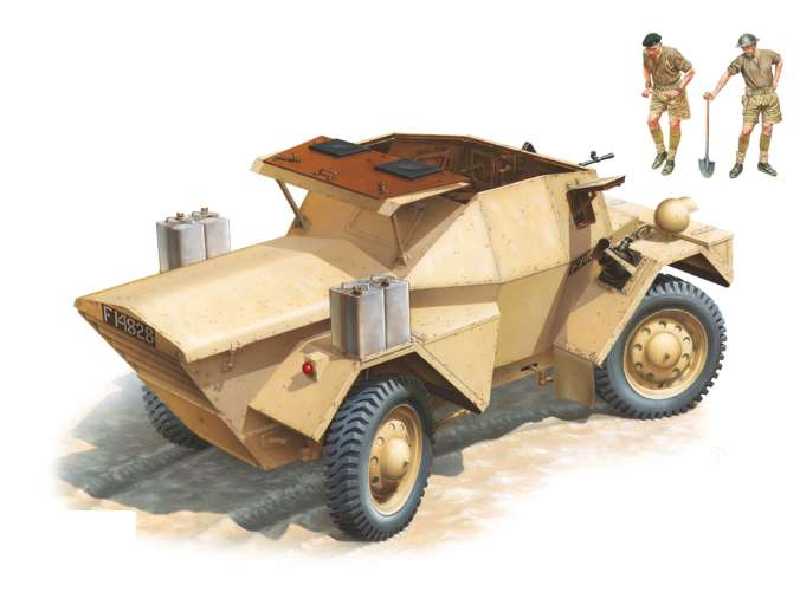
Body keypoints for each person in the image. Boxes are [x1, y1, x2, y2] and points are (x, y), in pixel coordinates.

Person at [704, 34, 783, 177]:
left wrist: (776, 79)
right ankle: (739, 163)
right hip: (752, 99)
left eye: (747, 47)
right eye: (743, 48)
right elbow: (727, 75)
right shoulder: (741, 60)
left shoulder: (768, 54)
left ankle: (763, 162)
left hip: (770, 98)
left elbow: (779, 60)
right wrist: (714, 92)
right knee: (746, 131)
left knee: (767, 129)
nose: (744, 50)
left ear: (754, 45)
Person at [641, 33, 695, 176]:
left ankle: (671, 158)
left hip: (674, 92)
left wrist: (679, 88)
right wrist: (648, 86)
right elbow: (646, 68)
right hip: (658, 91)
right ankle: (661, 152)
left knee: (674, 124)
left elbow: (691, 71)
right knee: (651, 121)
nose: (650, 52)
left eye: (652, 49)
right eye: (648, 50)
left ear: (659, 45)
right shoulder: (646, 54)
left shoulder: (672, 54)